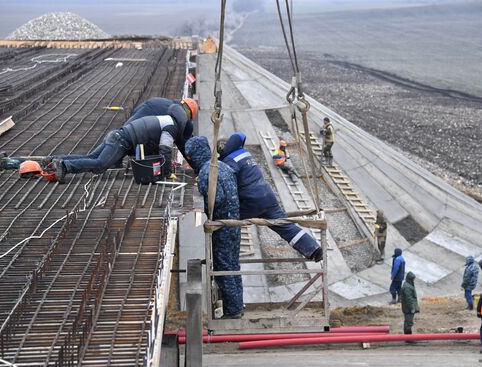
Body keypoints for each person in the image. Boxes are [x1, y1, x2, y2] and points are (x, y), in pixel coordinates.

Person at [217, 132, 322, 261]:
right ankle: (313, 250)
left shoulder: (229, 161)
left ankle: (225, 257)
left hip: (252, 200)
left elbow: (226, 184)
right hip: (268, 196)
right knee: (285, 225)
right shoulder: (244, 152)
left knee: (225, 221)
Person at [49, 101, 196, 184]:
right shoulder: (172, 126)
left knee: (92, 158)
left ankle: (56, 161)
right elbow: (164, 148)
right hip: (121, 141)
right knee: (100, 165)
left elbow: (154, 145)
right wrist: (168, 173)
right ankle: (64, 166)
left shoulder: (166, 117)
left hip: (118, 135)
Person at [185, 136, 243, 319]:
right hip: (234, 223)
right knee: (233, 265)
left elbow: (216, 199)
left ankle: (233, 311)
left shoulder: (206, 171)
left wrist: (203, 206)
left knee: (222, 267)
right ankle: (237, 305)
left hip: (222, 226)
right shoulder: (222, 165)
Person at [127, 97, 198, 124]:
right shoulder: (176, 116)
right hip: (139, 131)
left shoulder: (166, 102)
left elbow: (135, 111)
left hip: (131, 125)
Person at [401, 271, 420, 338]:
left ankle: (408, 337)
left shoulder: (408, 285)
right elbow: (409, 299)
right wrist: (412, 308)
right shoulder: (407, 287)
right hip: (408, 309)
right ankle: (408, 338)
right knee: (408, 323)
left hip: (408, 308)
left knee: (408, 322)